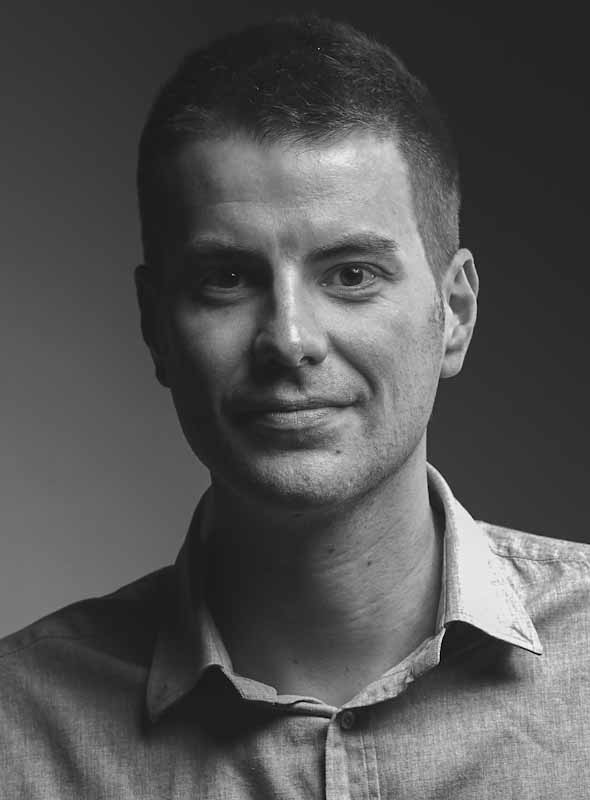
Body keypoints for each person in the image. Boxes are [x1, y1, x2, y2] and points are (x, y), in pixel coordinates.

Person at [1, 14, 589, 799]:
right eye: (227, 279)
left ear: (455, 314)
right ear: (155, 328)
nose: (289, 339)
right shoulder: (17, 734)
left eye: (350, 274)